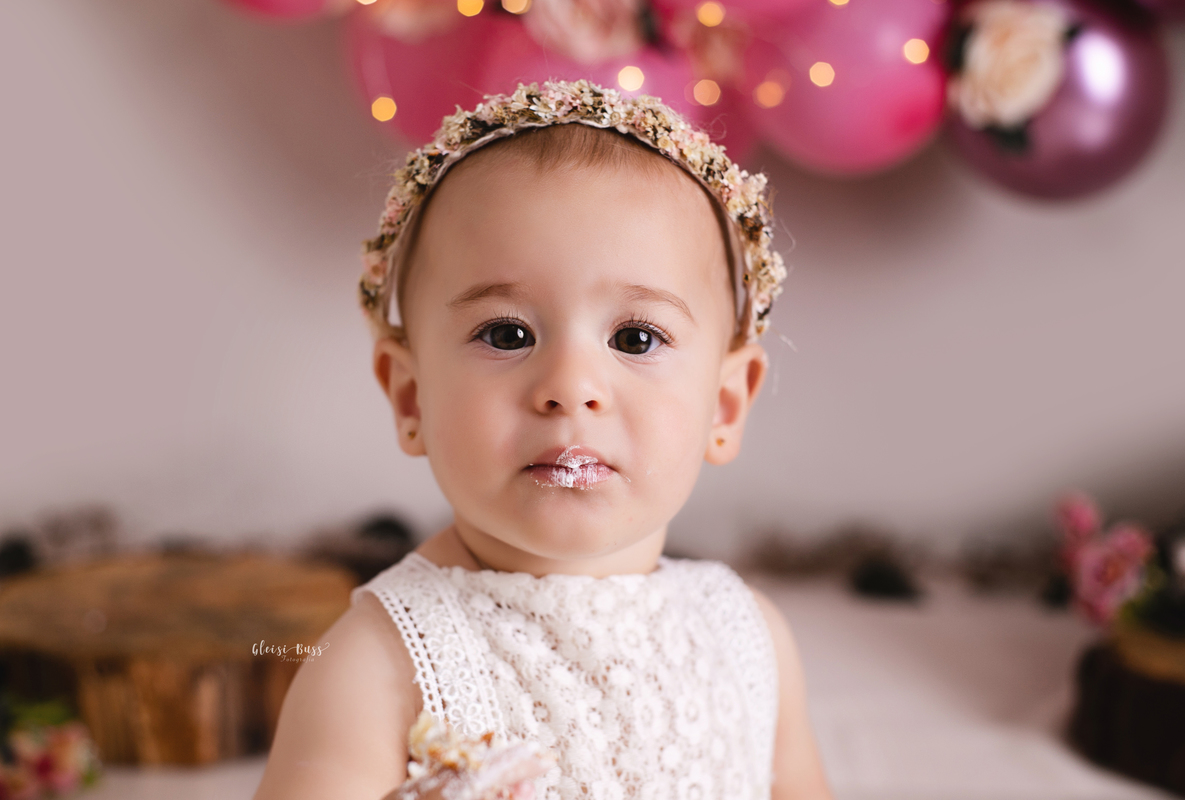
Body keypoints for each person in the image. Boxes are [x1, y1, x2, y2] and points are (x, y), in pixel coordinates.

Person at [253, 80, 831, 800]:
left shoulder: (747, 639)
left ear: (724, 405)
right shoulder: (377, 663)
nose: (570, 386)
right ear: (410, 396)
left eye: (635, 338)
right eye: (508, 334)